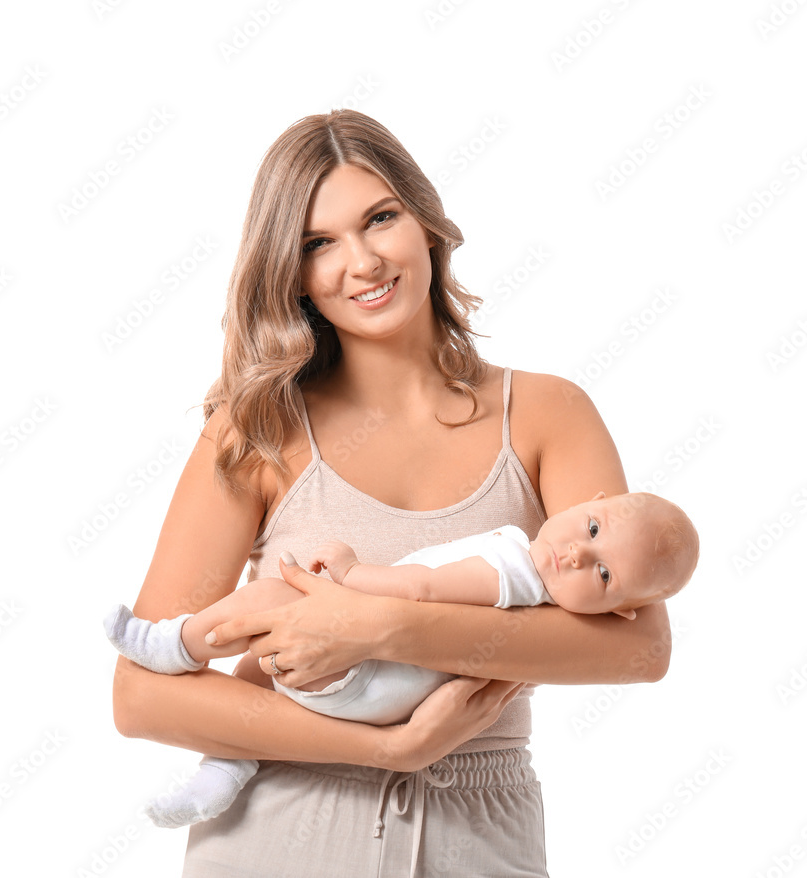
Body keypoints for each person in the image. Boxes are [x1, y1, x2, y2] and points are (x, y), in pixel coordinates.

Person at [111, 108, 676, 878]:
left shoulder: (548, 415)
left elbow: (636, 648)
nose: (363, 262)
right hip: (278, 834)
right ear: (291, 271)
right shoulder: (255, 431)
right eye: (319, 244)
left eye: (380, 219)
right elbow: (142, 698)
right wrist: (387, 748)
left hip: (480, 836)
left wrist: (376, 625)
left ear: (427, 223)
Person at [106, 490, 698, 828]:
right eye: (591, 526)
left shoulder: (518, 570)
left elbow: (420, 591)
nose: (573, 553)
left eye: (602, 572)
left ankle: (172, 646)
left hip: (369, 681)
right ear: (590, 500)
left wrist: (347, 573)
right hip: (382, 698)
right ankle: (225, 769)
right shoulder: (547, 605)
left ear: (623, 611)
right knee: (260, 666)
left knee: (264, 602)